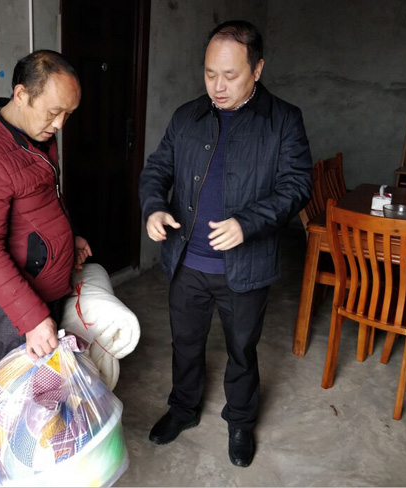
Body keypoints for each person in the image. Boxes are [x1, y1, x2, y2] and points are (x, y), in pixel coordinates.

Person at [139, 20, 312, 467]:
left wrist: (247, 223)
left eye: (230, 75)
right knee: (185, 344)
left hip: (246, 267)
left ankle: (240, 421)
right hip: (188, 263)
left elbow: (296, 186)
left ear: (257, 69)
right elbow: (157, 169)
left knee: (241, 351)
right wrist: (154, 207)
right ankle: (183, 409)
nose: (218, 86)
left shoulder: (283, 120)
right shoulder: (187, 116)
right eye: (210, 73)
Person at [0, 50, 92, 365]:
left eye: (68, 114)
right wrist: (32, 318)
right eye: (54, 112)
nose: (60, 124)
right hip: (17, 309)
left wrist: (69, 237)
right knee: (27, 394)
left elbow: (43, 202)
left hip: (49, 290)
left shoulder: (35, 136)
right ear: (21, 95)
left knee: (58, 386)